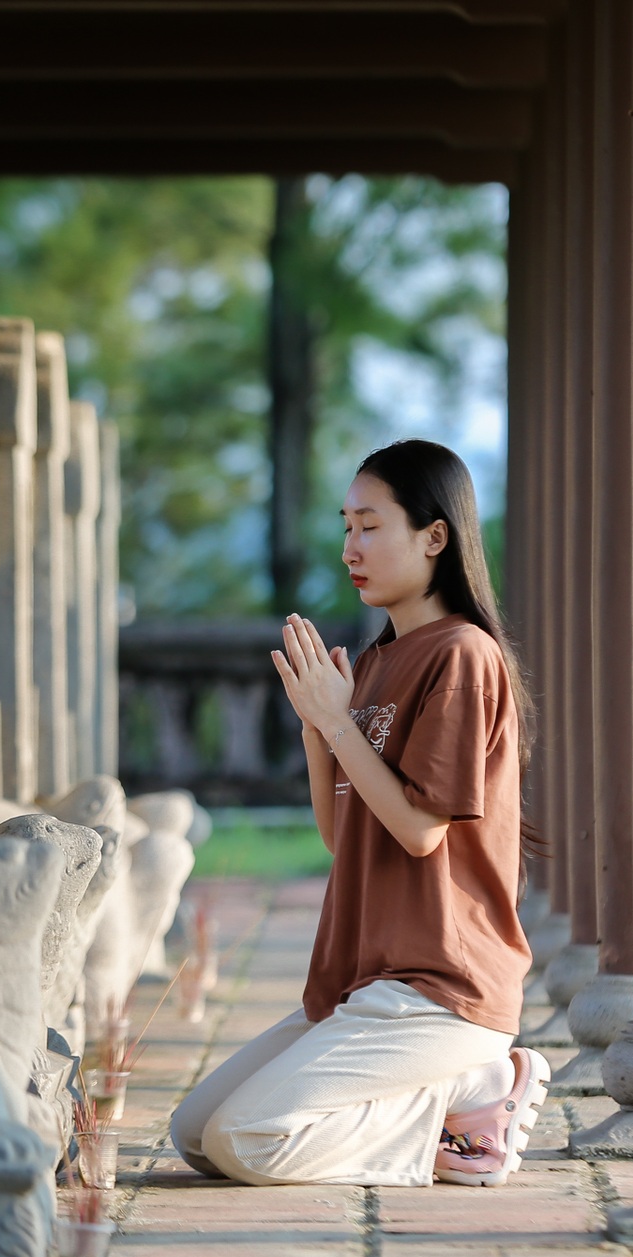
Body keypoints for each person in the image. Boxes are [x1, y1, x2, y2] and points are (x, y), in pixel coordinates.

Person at [168, 439, 549, 1188]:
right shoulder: (374, 664)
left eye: (370, 526)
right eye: (346, 526)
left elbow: (418, 830)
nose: (351, 547)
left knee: (248, 1139)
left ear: (435, 537)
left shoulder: (461, 656)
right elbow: (345, 837)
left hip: (439, 992)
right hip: (362, 984)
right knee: (194, 1135)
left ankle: (477, 1094)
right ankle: (452, 1112)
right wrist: (319, 729)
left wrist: (338, 725)